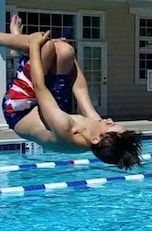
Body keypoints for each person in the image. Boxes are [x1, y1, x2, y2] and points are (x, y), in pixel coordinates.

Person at [1, 19, 142, 169]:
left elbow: (39, 86)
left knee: (46, 46)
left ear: (95, 139)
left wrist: (34, 45)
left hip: (19, 110)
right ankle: (22, 49)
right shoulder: (95, 128)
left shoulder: (66, 130)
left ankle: (14, 44)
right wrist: (70, 52)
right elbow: (80, 88)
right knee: (64, 51)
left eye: (111, 125)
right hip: (48, 109)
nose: (109, 119)